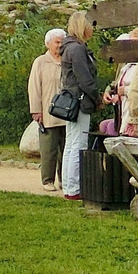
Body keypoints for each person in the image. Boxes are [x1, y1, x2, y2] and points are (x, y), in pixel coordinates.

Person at [57, 20, 99, 201]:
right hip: (81, 100)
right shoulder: (77, 49)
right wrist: (96, 98)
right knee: (79, 144)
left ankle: (68, 185)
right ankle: (74, 188)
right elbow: (85, 79)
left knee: (70, 143)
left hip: (71, 99)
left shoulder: (67, 48)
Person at [28, 31, 67, 192]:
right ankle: (47, 180)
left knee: (66, 148)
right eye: (57, 42)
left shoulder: (67, 61)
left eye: (61, 42)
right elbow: (34, 88)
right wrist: (36, 111)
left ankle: (64, 179)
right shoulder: (40, 62)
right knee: (49, 149)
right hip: (48, 113)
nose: (59, 45)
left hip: (67, 112)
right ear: (48, 44)